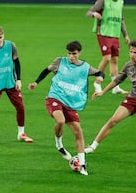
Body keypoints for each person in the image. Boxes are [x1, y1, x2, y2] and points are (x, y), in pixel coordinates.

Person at [28, 41, 105, 176]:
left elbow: (101, 73)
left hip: (70, 103)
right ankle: (59, 145)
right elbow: (47, 70)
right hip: (55, 97)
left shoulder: (85, 67)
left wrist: (99, 78)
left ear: (79, 53)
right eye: (69, 53)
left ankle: (82, 164)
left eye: (74, 54)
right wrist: (36, 82)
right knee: (60, 121)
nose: (71, 56)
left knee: (78, 131)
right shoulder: (60, 61)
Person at [85, 40, 136, 154]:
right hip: (133, 98)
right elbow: (118, 80)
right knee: (112, 121)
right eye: (130, 52)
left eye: (135, 52)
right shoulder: (128, 65)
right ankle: (93, 146)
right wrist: (103, 91)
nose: (132, 55)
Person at [86, 0, 130, 95]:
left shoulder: (121, 2)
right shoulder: (103, 0)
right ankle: (97, 82)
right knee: (107, 58)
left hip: (115, 34)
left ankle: (115, 87)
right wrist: (94, 14)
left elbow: (121, 20)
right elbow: (89, 12)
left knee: (115, 60)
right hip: (103, 33)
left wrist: (125, 34)